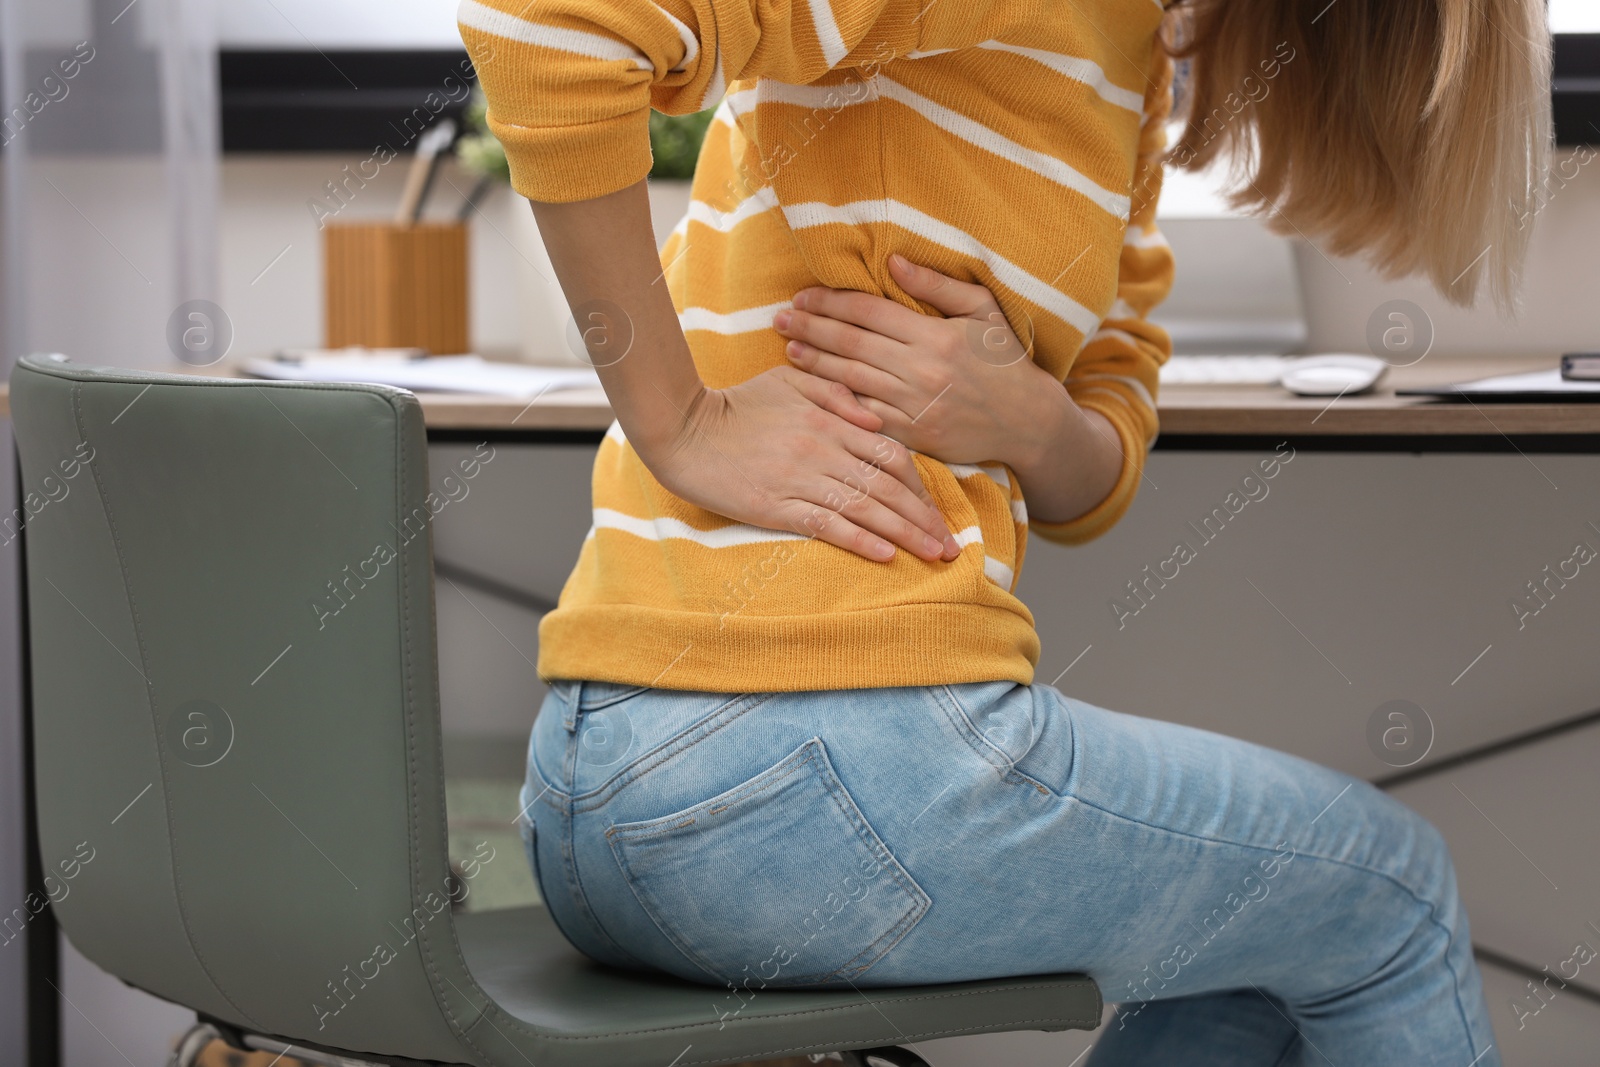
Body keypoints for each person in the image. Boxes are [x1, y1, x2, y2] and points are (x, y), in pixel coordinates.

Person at [457, 0, 1550, 1060]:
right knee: (1389, 895)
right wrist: (678, 421)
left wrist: (1021, 411)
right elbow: (548, 22)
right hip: (804, 765)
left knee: (1262, 936)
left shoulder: (1129, 59)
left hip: (594, 794)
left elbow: (1108, 412)